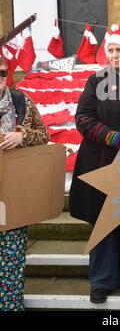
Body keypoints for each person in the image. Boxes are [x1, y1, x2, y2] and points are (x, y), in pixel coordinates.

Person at [69, 23, 120, 304]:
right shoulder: (96, 80)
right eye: (111, 50)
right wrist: (115, 137)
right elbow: (83, 118)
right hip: (101, 160)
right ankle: (102, 279)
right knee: (104, 221)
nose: (115, 55)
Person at [0, 56, 49, 311]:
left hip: (14, 195)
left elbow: (44, 135)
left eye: (1, 73)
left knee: (11, 262)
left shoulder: (20, 100)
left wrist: (22, 136)